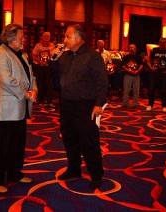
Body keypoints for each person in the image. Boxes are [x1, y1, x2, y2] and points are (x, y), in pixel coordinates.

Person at [51, 24, 108, 189]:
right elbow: (52, 75)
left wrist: (98, 104)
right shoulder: (65, 55)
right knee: (69, 138)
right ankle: (74, 168)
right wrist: (55, 58)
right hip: (67, 104)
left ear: (78, 38)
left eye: (68, 36)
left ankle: (96, 175)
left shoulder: (92, 56)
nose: (65, 39)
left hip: (86, 106)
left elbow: (102, 82)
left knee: (89, 142)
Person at [0, 23, 38, 193]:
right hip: (5, 109)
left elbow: (31, 76)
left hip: (21, 107)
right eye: (20, 38)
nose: (24, 40)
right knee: (1, 146)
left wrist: (34, 90)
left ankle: (15, 173)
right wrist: (27, 94)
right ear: (10, 38)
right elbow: (7, 81)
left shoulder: (22, 55)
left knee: (17, 144)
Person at [146, 38, 166, 113]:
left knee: (164, 90)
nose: (162, 44)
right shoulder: (154, 50)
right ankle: (150, 105)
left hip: (164, 74)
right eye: (161, 42)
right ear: (159, 43)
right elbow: (148, 60)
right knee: (152, 89)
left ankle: (164, 106)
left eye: (164, 42)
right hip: (154, 73)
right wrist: (151, 68)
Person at [32, 32, 55, 107]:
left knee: (50, 84)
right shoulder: (38, 45)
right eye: (45, 36)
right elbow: (33, 56)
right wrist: (41, 61)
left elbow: (54, 55)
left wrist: (51, 60)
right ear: (41, 37)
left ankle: (49, 101)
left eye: (48, 36)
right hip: (40, 67)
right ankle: (40, 101)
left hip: (49, 67)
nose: (46, 37)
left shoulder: (52, 45)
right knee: (40, 84)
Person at [121, 44, 143, 108]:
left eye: (133, 47)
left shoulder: (138, 57)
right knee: (126, 90)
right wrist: (129, 70)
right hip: (128, 75)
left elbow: (141, 65)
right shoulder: (125, 57)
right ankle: (125, 103)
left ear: (135, 49)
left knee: (136, 90)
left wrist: (137, 71)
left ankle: (135, 103)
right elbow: (123, 66)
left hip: (136, 75)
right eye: (130, 47)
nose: (131, 48)